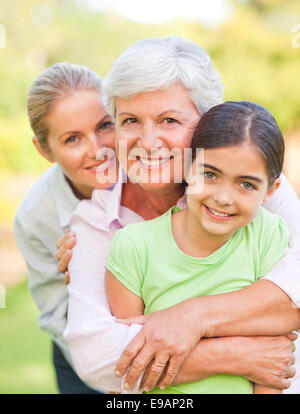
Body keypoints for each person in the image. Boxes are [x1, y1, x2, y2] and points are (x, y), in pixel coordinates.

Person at [59, 37, 300, 394]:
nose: (149, 141)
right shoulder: (95, 223)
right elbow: (96, 357)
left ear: (207, 123)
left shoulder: (254, 189)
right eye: (130, 120)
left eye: (169, 120)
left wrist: (191, 318)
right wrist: (236, 353)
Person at [105, 100, 289, 394]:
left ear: (270, 191)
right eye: (210, 175)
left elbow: (273, 359)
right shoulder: (134, 246)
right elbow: (126, 368)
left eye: (246, 185)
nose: (224, 198)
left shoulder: (267, 234)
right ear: (188, 169)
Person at [14, 62, 118, 394]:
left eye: (104, 126)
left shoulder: (154, 172)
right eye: (72, 139)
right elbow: (60, 315)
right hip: (84, 357)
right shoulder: (35, 217)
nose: (97, 149)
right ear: (44, 150)